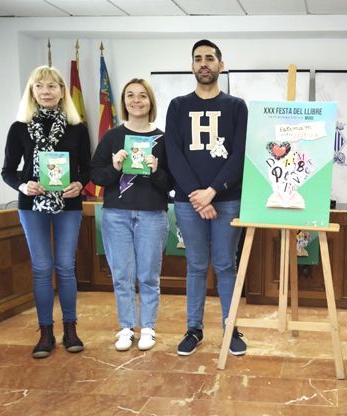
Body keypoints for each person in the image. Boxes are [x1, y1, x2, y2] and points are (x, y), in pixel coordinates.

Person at [165, 39, 248, 357]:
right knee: (197, 265)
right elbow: (174, 154)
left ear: (221, 65)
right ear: (192, 66)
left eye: (210, 58)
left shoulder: (236, 106)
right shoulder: (177, 106)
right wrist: (197, 197)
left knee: (226, 265)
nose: (204, 63)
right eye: (198, 58)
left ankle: (231, 328)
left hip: (227, 200)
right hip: (188, 203)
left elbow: (239, 155)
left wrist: (212, 192)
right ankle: (193, 329)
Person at [1, 65, 91, 358]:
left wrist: (79, 184)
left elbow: (87, 168)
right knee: (41, 268)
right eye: (39, 86)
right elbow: (7, 171)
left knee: (65, 266)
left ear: (62, 91)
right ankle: (45, 332)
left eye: (52, 86)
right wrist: (23, 185)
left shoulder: (77, 128)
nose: (45, 91)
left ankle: (70, 329)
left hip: (69, 204)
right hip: (32, 206)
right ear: (32, 92)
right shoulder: (19, 128)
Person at [90, 78, 171, 351]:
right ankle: (126, 327)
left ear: (150, 101)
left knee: (149, 275)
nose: (136, 100)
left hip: (152, 215)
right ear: (124, 102)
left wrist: (156, 170)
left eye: (142, 95)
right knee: (121, 275)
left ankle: (147, 327)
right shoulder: (112, 137)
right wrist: (114, 168)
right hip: (116, 215)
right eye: (130, 95)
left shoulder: (164, 139)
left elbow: (172, 183)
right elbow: (96, 175)